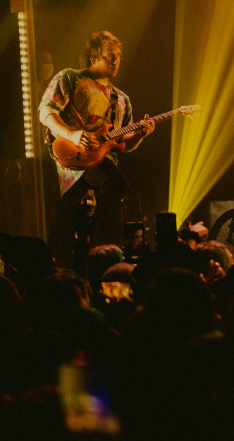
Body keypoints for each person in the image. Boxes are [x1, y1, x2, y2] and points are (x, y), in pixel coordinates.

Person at [39, 30, 155, 270]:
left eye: (118, 56)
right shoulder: (70, 78)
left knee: (105, 224)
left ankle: (89, 242)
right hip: (71, 160)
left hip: (102, 164)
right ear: (93, 58)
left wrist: (141, 134)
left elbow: (122, 144)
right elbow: (45, 112)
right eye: (109, 57)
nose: (115, 61)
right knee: (64, 228)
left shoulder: (121, 99)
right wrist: (71, 134)